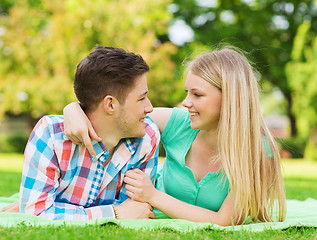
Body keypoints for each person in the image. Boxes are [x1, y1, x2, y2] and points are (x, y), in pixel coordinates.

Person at [63, 46, 286, 226]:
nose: (187, 102)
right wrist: (73, 109)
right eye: (187, 92)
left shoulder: (258, 152)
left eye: (197, 94)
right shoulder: (180, 123)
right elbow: (121, 114)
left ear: (230, 98)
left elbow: (223, 221)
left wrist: (153, 196)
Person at [1, 45, 160, 221]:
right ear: (110, 104)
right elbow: (36, 214)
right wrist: (114, 213)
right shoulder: (51, 136)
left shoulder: (146, 137)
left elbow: (136, 210)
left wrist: (56, 209)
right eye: (142, 98)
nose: (150, 107)